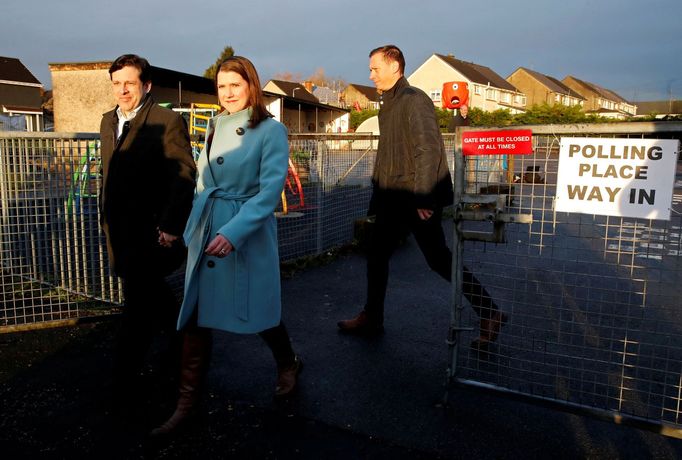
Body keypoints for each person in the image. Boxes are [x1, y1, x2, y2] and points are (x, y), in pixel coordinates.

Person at [151, 56, 302, 436]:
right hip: (208, 227)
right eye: (222, 86)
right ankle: (186, 404)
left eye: (235, 85)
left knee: (257, 308)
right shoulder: (216, 123)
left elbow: (269, 193)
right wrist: (181, 226)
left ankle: (287, 362)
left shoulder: (271, 130)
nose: (228, 93)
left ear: (251, 85)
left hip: (245, 231)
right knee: (196, 313)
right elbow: (203, 180)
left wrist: (234, 233)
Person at [337, 45, 507, 347]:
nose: (370, 74)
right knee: (377, 256)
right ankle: (372, 316)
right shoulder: (389, 103)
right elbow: (391, 154)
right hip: (393, 196)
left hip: (414, 197)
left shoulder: (413, 100)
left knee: (439, 260)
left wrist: (424, 199)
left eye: (375, 68)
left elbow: (428, 149)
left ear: (394, 67)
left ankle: (489, 312)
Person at [99, 54, 197, 409]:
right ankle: (186, 346)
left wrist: (172, 225)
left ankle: (123, 385)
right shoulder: (108, 121)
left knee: (137, 311)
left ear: (146, 85)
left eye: (129, 83)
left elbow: (184, 175)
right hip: (119, 233)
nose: (122, 90)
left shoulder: (165, 121)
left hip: (150, 233)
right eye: (116, 83)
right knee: (154, 299)